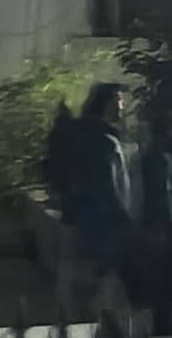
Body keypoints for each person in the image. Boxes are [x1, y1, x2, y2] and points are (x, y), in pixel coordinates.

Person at [41, 78, 136, 310]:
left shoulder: (76, 134)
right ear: (107, 103)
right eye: (119, 100)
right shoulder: (104, 142)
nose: (123, 107)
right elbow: (108, 190)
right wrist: (126, 222)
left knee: (71, 295)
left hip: (72, 220)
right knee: (102, 297)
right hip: (101, 228)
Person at [129, 101, 172, 337]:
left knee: (167, 291)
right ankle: (159, 337)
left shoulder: (161, 160)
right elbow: (153, 199)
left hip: (164, 235)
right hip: (159, 236)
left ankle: (161, 334)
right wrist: (157, 231)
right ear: (164, 132)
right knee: (164, 291)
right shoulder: (153, 162)